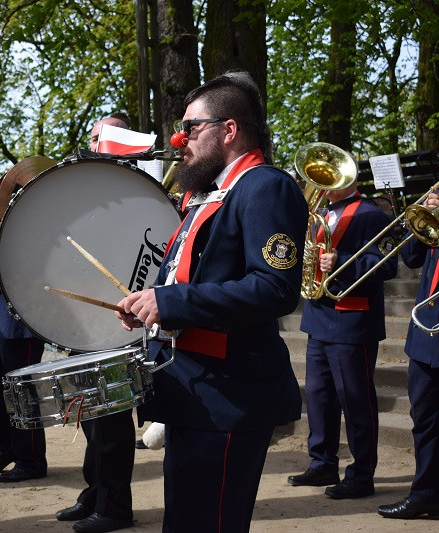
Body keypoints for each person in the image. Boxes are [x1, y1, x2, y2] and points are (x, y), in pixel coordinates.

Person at [116, 71, 307, 532]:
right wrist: (148, 304)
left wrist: (171, 302)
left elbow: (274, 287)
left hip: (229, 392)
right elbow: (185, 274)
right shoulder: (207, 193)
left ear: (229, 130)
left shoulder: (265, 186)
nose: (179, 139)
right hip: (192, 385)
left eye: (191, 127)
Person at [377, 123, 439, 533]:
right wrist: (422, 218)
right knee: (425, 421)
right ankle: (427, 495)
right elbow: (414, 259)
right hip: (428, 330)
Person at [287, 180, 397, 499]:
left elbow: (388, 264)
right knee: (319, 396)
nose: (321, 184)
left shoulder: (372, 214)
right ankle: (322, 463)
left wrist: (342, 262)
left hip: (352, 319)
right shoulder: (320, 213)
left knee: (355, 399)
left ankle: (362, 474)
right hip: (318, 314)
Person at [53, 114, 136, 533]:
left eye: (101, 137)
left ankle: (115, 505)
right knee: (90, 414)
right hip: (87, 321)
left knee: (112, 419)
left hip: (118, 323)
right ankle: (96, 492)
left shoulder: (131, 192)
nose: (93, 143)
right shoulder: (95, 194)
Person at [0, 218, 48, 482]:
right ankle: (6, 449)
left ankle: (31, 460)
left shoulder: (39, 216)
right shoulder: (6, 217)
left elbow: (37, 258)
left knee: (21, 391)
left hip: (23, 317)